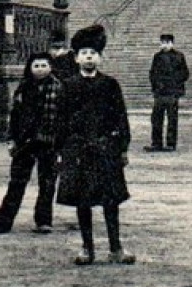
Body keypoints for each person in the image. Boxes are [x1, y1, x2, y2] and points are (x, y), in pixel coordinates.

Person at [55, 24, 135, 265]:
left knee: (111, 200)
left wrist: (121, 146)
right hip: (78, 150)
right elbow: (61, 120)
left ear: (100, 58)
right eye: (84, 53)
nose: (89, 57)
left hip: (106, 149)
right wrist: (61, 151)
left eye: (94, 53)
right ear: (77, 58)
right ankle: (87, 247)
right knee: (83, 201)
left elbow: (121, 116)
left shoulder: (111, 85)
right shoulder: (67, 85)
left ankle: (115, 247)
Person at [0, 50, 65, 235]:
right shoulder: (23, 88)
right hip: (25, 142)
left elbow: (63, 118)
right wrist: (12, 139)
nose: (40, 69)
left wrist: (61, 145)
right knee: (16, 182)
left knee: (48, 183)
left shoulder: (59, 88)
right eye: (36, 66)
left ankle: (43, 221)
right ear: (30, 68)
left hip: (49, 142)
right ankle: (3, 221)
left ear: (51, 67)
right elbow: (15, 116)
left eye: (44, 65)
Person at [145, 33, 190, 152]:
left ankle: (171, 144)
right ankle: (156, 143)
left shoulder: (179, 56)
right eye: (162, 43)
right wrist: (156, 86)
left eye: (166, 42)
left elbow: (185, 74)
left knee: (172, 119)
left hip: (172, 92)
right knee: (156, 118)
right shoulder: (157, 57)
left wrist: (174, 84)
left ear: (171, 43)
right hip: (160, 93)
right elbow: (152, 73)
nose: (163, 45)